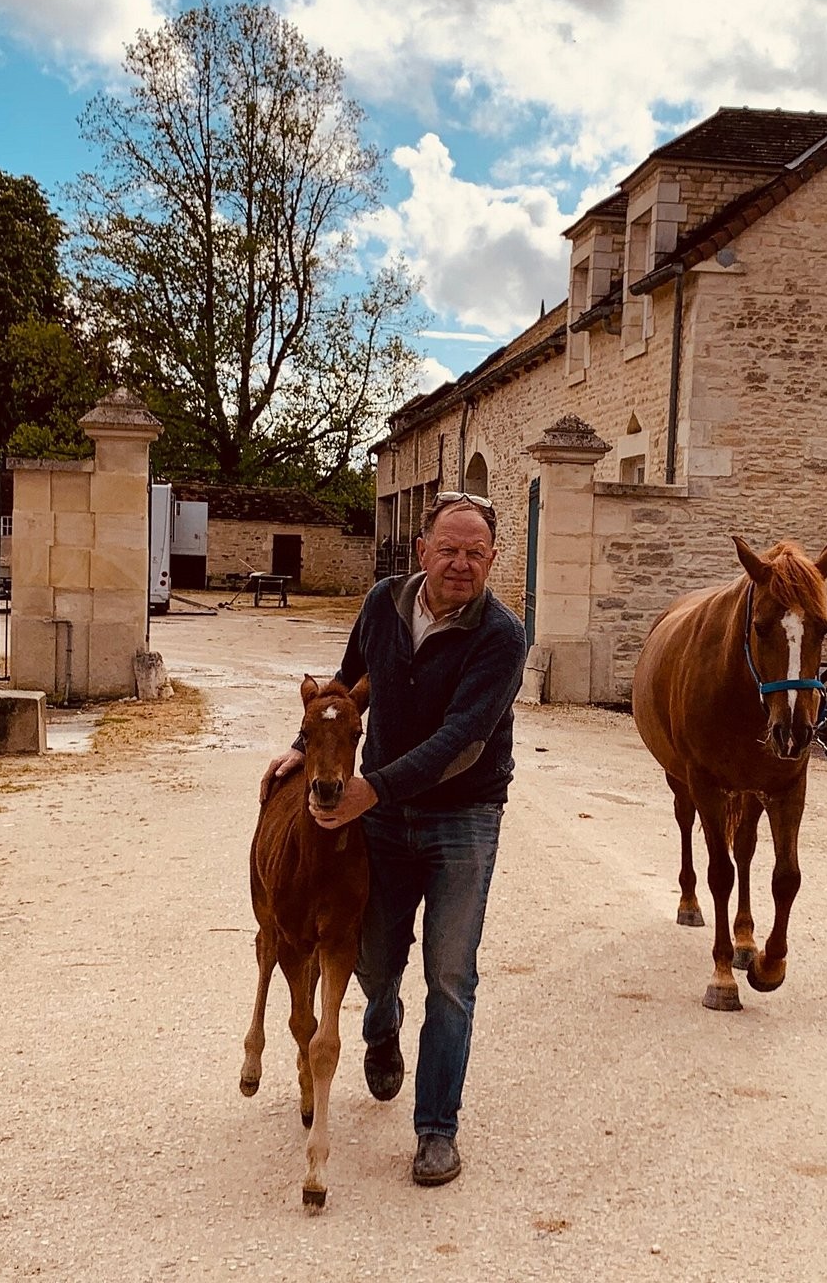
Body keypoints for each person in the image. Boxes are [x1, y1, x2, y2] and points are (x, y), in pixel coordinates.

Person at [259, 491, 527, 1188]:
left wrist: (370, 789)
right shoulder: (383, 603)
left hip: (462, 814)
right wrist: (302, 748)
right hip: (379, 812)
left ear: (493, 558)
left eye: (475, 553)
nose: (461, 563)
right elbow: (346, 686)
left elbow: (462, 739)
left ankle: (436, 1129)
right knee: (372, 957)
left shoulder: (502, 636)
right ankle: (382, 1022)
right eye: (449, 549)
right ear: (422, 551)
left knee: (451, 975)